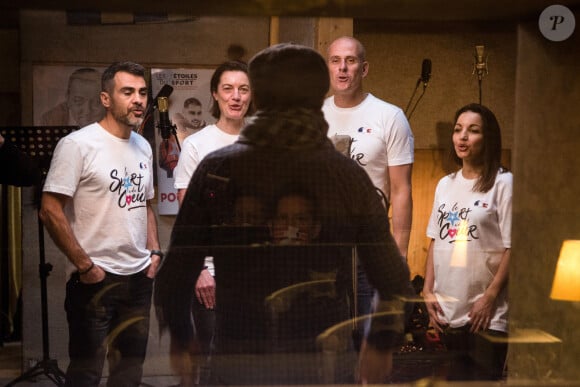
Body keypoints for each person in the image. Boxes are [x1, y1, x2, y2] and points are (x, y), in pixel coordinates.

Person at [155, 43, 413, 385]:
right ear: (318, 95)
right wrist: (380, 344)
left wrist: (180, 334)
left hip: (239, 355)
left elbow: (175, 273)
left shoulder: (218, 169)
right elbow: (395, 280)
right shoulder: (344, 175)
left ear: (257, 95)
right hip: (321, 358)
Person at [39, 61, 162, 387]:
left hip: (138, 279)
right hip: (94, 281)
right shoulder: (78, 144)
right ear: (106, 98)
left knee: (128, 374)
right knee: (85, 375)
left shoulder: (143, 145)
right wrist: (85, 265)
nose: (138, 99)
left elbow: (145, 203)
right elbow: (50, 210)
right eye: (127, 92)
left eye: (142, 92)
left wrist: (154, 252)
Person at [322, 36, 414, 347]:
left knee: (370, 339)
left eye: (350, 61)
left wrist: (399, 254)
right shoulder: (314, 116)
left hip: (371, 246)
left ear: (364, 68)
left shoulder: (389, 116)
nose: (343, 68)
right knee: (327, 340)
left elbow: (402, 190)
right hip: (324, 248)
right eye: (335, 61)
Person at [170, 60, 253, 385]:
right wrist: (199, 271)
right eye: (228, 89)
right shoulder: (197, 145)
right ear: (215, 95)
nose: (236, 96)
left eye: (243, 89)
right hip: (213, 278)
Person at [422, 103, 511, 380]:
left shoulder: (503, 182)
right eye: (458, 130)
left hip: (485, 313)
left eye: (472, 131)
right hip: (447, 311)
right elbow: (436, 241)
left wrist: (490, 296)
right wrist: (426, 291)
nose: (462, 137)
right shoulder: (445, 184)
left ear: (488, 138)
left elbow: (513, 247)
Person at [40, 67, 105, 128]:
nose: (87, 110)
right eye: (78, 101)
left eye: (96, 102)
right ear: (68, 99)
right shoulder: (51, 119)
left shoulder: (111, 116)